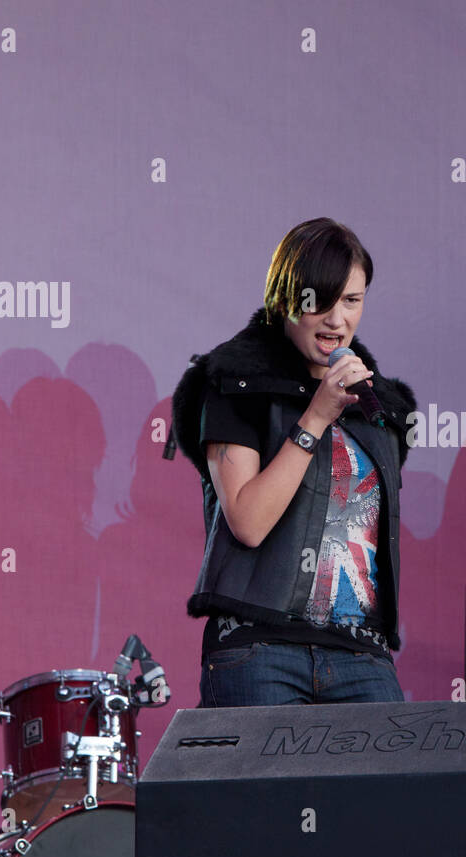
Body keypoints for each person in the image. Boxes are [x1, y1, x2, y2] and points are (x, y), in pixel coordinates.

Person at [172, 218, 416, 707]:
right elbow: (248, 522)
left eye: (352, 300)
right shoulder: (235, 383)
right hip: (260, 650)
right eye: (319, 301)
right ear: (285, 299)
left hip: (361, 653)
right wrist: (316, 417)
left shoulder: (380, 408)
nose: (336, 320)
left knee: (394, 782)